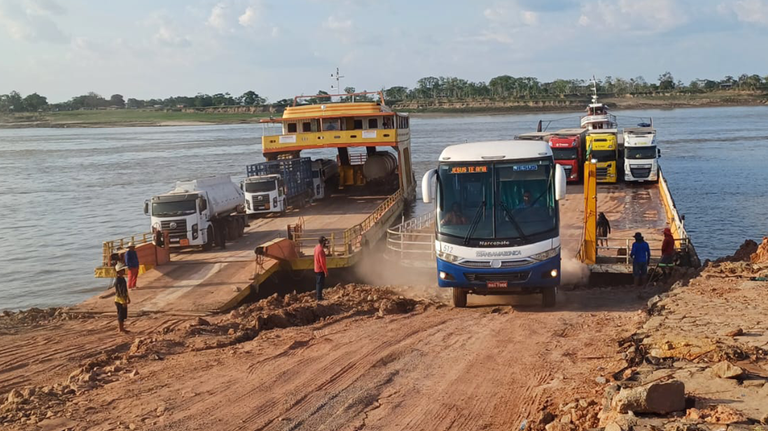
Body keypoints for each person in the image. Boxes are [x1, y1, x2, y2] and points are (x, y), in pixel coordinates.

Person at [114, 262, 131, 333]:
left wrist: (128, 298)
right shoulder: (118, 281)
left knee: (123, 315)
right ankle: (120, 328)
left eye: (123, 270)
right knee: (120, 315)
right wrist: (123, 301)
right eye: (121, 271)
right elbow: (120, 292)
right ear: (118, 272)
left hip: (123, 299)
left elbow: (125, 290)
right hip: (119, 300)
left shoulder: (123, 279)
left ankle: (122, 328)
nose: (123, 272)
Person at [314, 236, 329, 301]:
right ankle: (319, 298)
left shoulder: (316, 248)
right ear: (323, 242)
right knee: (320, 284)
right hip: (320, 269)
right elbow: (322, 262)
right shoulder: (321, 251)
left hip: (316, 268)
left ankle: (319, 296)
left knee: (318, 283)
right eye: (325, 242)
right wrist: (325, 271)